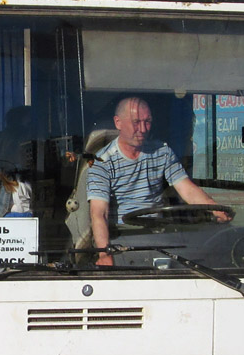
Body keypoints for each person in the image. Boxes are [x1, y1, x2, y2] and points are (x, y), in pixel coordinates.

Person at [88, 96, 228, 266]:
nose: (142, 129)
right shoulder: (102, 162)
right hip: (123, 236)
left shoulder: (162, 151)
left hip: (158, 234)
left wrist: (215, 209)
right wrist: (104, 253)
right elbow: (99, 213)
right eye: (136, 122)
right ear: (118, 123)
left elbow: (187, 190)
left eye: (147, 122)